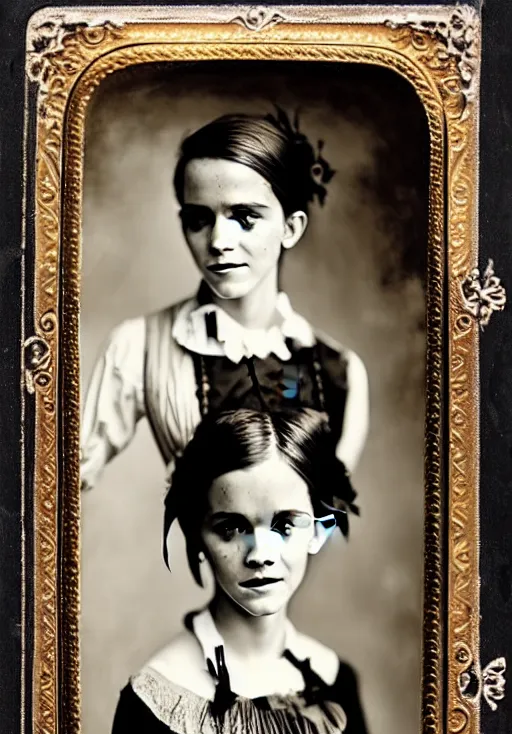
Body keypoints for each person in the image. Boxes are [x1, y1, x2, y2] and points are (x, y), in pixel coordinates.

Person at [90, 408, 378, 734]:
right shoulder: (156, 702)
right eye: (230, 527)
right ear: (197, 537)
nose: (260, 552)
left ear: (317, 529)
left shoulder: (331, 677)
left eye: (286, 524)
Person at [80, 109, 369, 491]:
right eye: (199, 219)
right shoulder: (138, 348)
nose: (218, 242)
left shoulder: (338, 372)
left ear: (291, 227)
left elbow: (325, 517)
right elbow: (55, 483)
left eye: (245, 217)